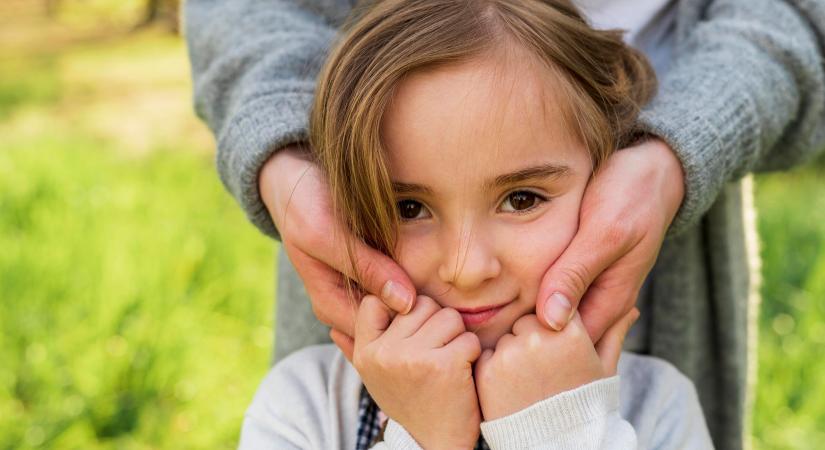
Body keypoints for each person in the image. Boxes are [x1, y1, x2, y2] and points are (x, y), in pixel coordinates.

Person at [184, 0, 825, 448]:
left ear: (607, 176)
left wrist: (556, 436)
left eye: (522, 198)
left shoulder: (661, 407)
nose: (467, 268)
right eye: (409, 207)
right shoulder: (301, 407)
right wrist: (426, 437)